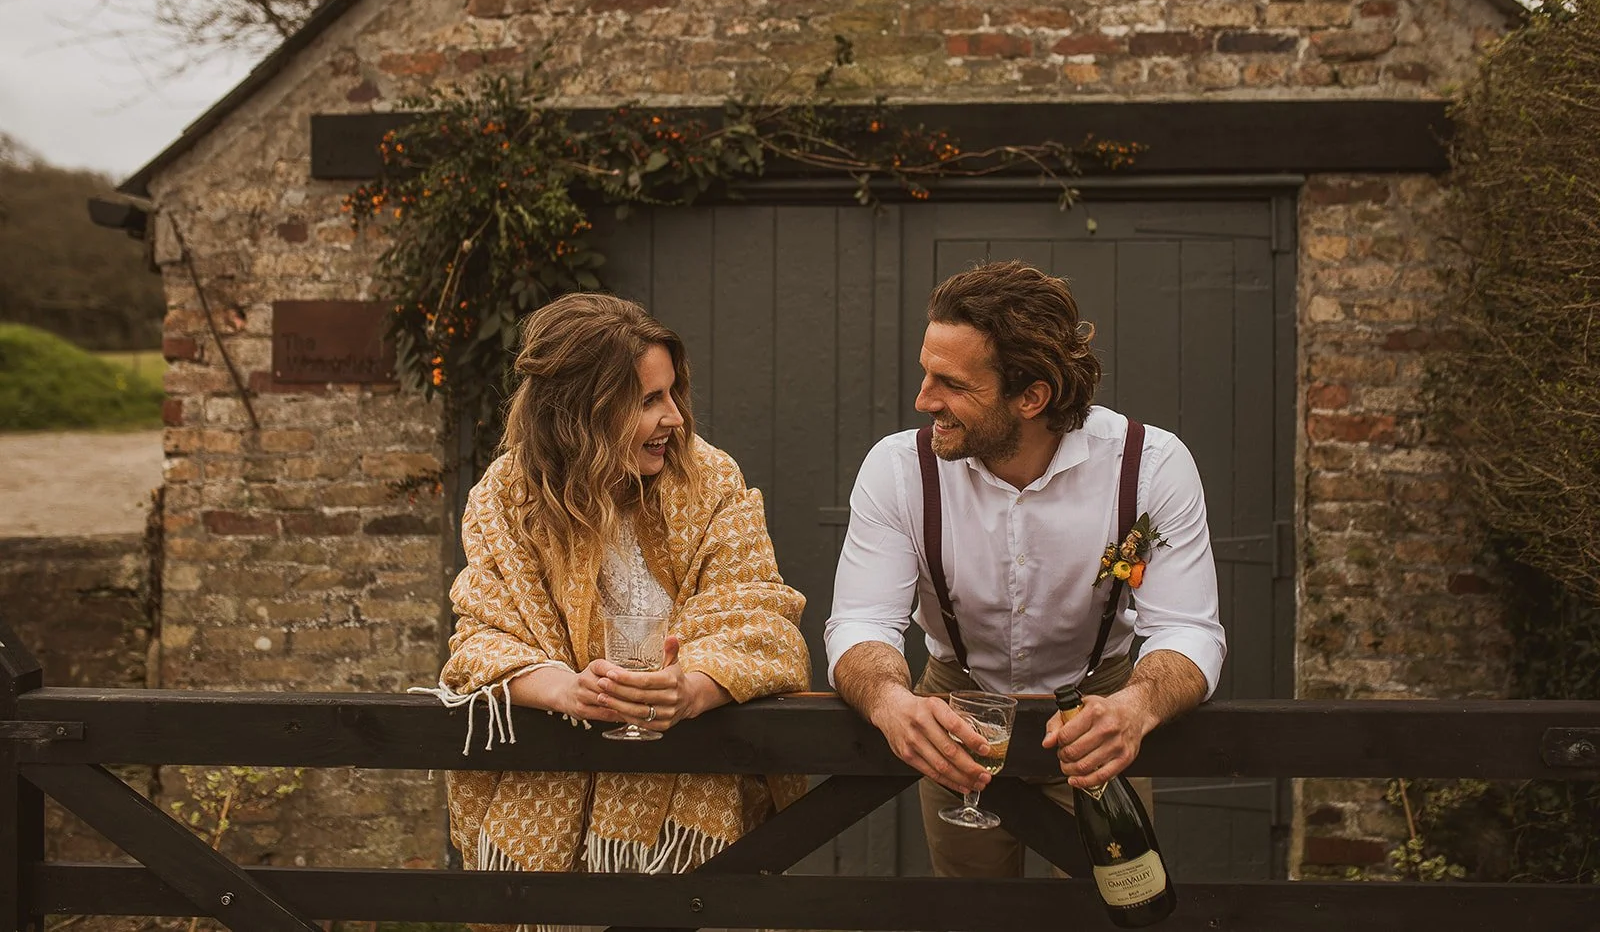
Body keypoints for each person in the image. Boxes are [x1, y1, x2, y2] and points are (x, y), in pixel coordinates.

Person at [824, 260, 1226, 877]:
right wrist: (890, 701)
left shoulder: (1149, 463)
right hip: (957, 718)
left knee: (1119, 902)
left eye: (951, 384)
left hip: (1098, 720)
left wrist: (1136, 707)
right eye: (925, 374)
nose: (923, 400)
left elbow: (1188, 629)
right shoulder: (900, 470)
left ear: (1032, 396)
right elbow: (861, 620)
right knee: (972, 915)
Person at [418, 292, 809, 885]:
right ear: (584, 411)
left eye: (673, 392)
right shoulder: (505, 498)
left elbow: (760, 615)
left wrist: (691, 689)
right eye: (650, 400)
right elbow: (482, 640)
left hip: (693, 804)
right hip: (551, 786)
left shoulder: (711, 480)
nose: (675, 416)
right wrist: (569, 692)